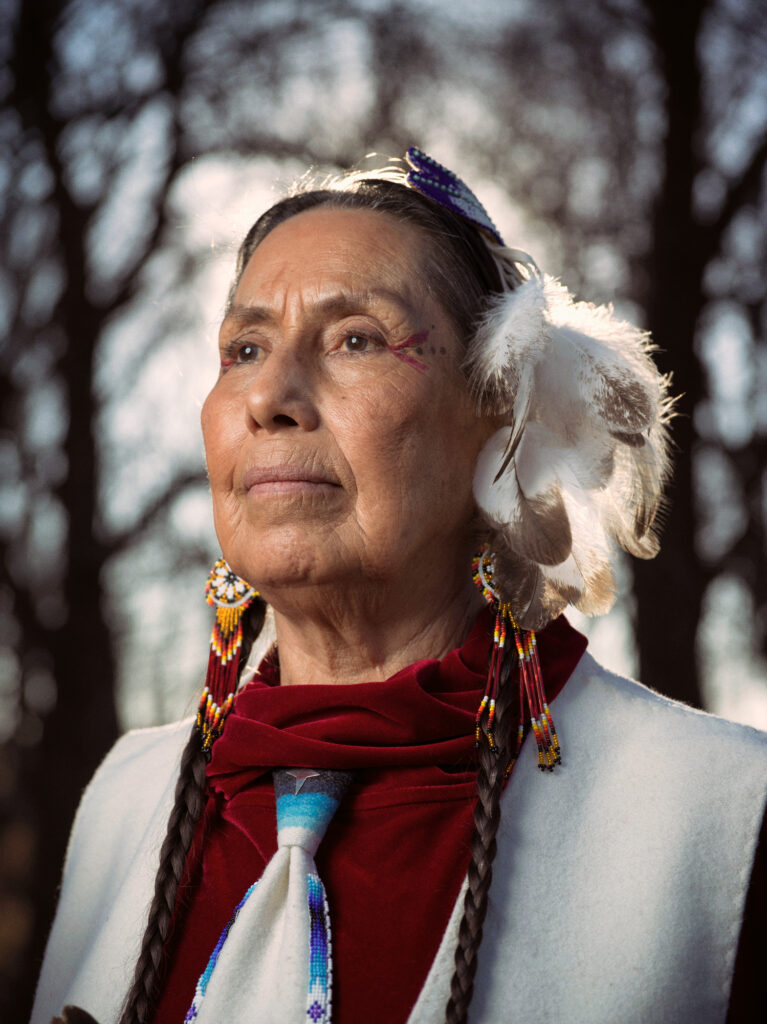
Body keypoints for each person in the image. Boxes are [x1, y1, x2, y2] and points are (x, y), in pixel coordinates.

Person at [31, 148, 765, 1024]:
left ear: (501, 415)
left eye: (357, 339)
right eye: (244, 347)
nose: (269, 394)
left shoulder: (718, 819)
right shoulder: (125, 799)